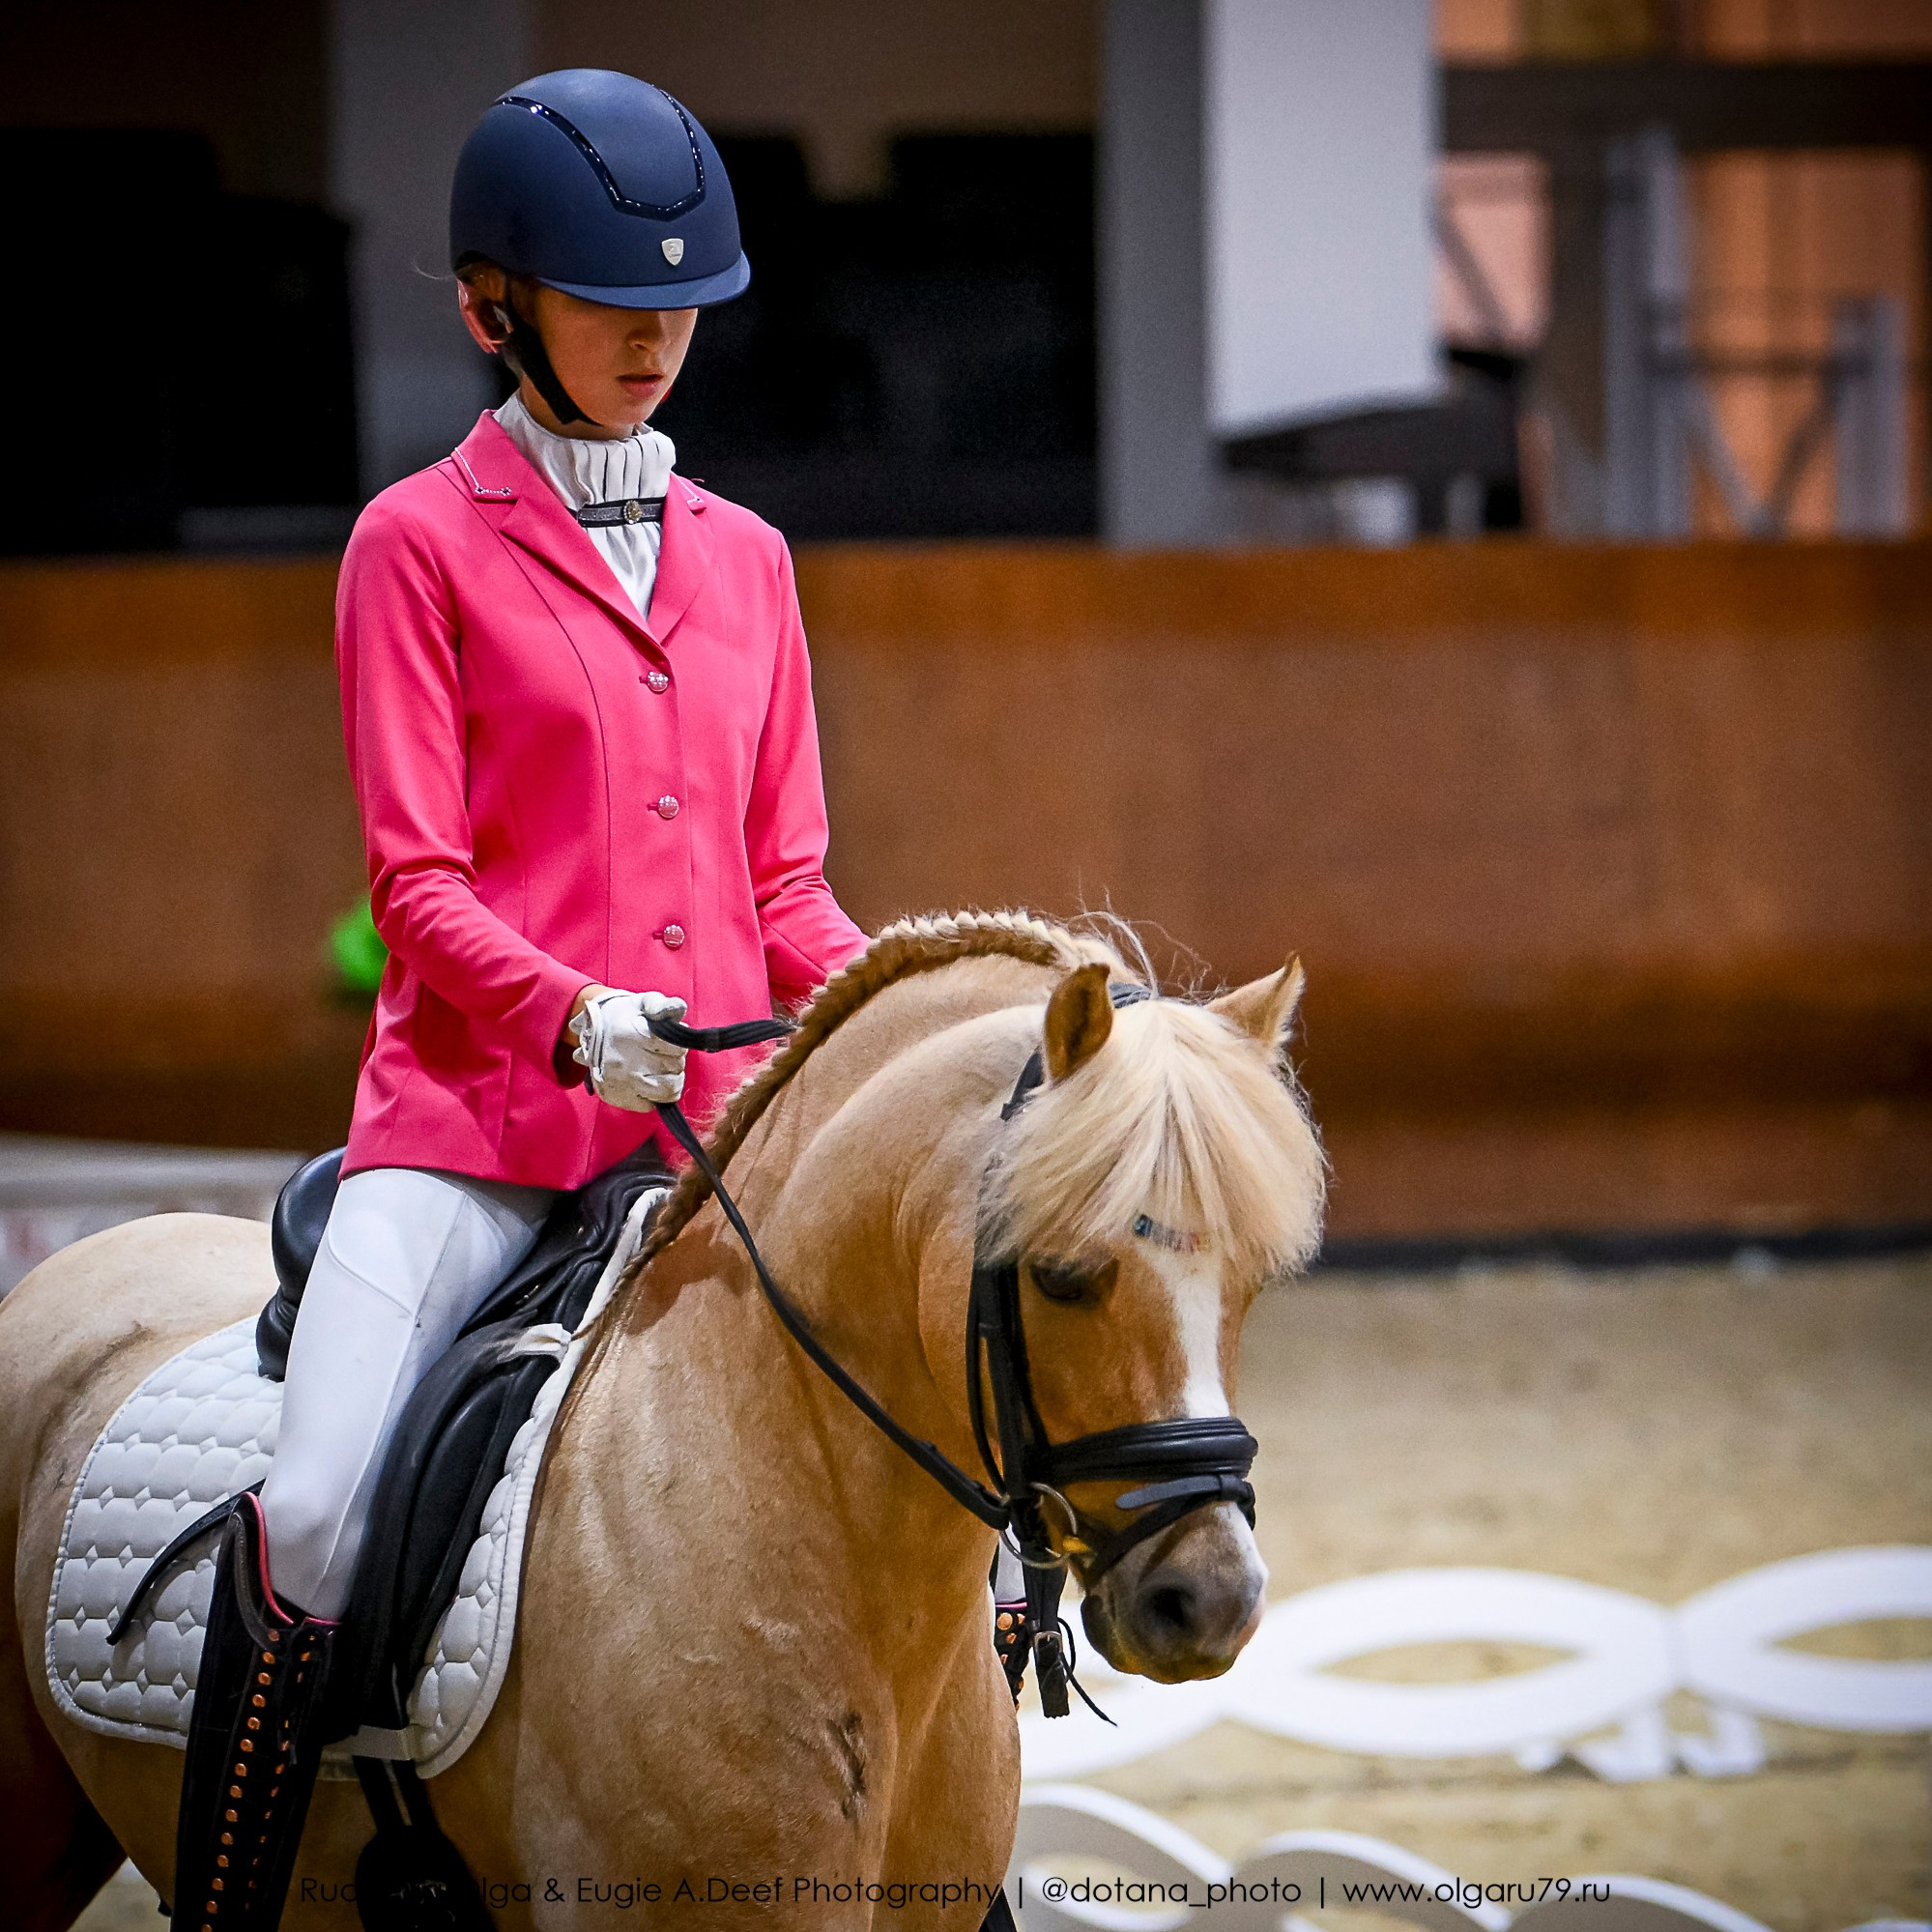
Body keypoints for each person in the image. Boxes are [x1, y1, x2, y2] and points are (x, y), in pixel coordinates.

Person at [170, 70, 866, 1931]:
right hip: (474, 1136)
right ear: (498, 310)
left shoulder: (752, 564)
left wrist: (898, 1013)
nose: (658, 338)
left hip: (694, 1151)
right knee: (315, 1508)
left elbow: (785, 890)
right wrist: (570, 1018)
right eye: (611, 304)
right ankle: (231, 1895)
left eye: (682, 306)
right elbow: (417, 887)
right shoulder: (414, 544)